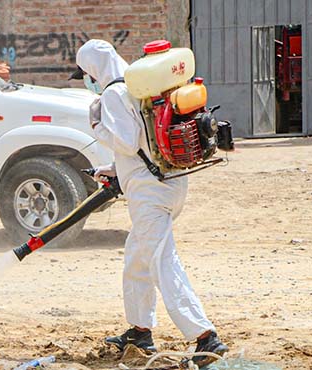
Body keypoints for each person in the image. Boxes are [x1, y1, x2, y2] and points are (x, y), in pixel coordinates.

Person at [71, 39, 228, 368]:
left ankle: (204, 336)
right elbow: (145, 142)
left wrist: (97, 125)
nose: (86, 80)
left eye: (84, 74)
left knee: (161, 262)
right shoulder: (142, 85)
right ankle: (139, 331)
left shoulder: (113, 94)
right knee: (137, 260)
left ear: (92, 70)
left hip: (150, 194)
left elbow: (126, 141)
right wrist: (113, 170)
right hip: (170, 182)